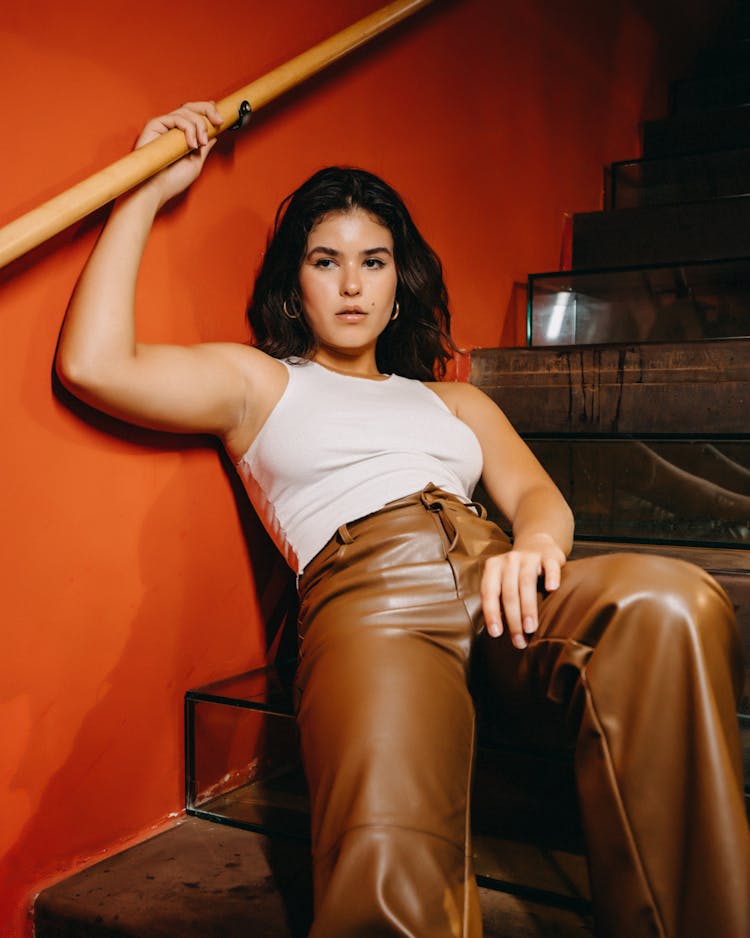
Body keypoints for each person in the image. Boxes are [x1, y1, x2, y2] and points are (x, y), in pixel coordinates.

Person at [56, 102, 748, 938]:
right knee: (389, 882)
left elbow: (538, 499)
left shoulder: (454, 399)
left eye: (373, 261)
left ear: (398, 282)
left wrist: (531, 546)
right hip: (369, 601)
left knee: (669, 600)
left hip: (501, 583)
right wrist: (145, 189)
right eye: (326, 261)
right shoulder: (258, 383)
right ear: (295, 282)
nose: (351, 284)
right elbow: (94, 364)